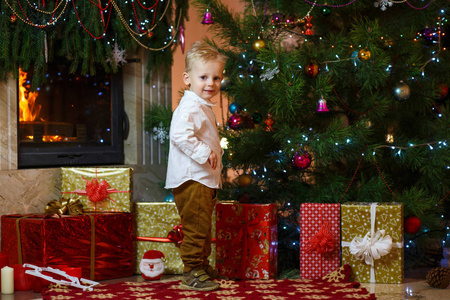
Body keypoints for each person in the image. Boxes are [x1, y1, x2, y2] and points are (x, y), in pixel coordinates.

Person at [165, 41, 227, 291]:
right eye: (204, 77)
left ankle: (200, 264)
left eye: (216, 77)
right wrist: (203, 152)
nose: (211, 83)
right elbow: (179, 135)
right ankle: (191, 270)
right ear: (187, 78)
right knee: (195, 227)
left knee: (201, 225)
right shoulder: (189, 106)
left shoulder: (202, 105)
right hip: (193, 179)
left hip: (203, 179)